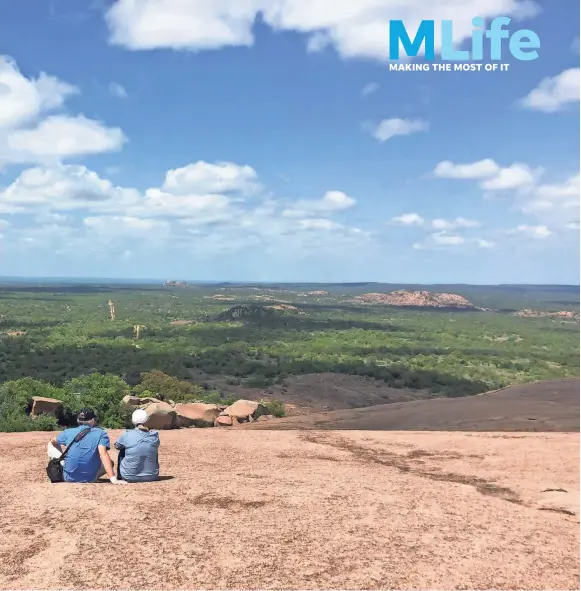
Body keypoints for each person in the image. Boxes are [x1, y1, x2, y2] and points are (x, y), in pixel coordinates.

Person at [49, 408, 125, 484]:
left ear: (78, 420)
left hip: (67, 477)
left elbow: (53, 440)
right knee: (110, 462)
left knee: (51, 444)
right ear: (92, 420)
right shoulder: (101, 433)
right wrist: (113, 479)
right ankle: (91, 475)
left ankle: (56, 471)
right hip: (90, 479)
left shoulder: (69, 431)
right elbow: (103, 454)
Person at [114, 409, 160, 483]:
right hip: (152, 476)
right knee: (151, 449)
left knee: (123, 449)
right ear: (146, 420)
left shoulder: (127, 434)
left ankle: (120, 476)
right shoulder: (154, 435)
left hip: (129, 476)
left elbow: (117, 446)